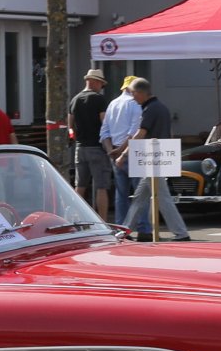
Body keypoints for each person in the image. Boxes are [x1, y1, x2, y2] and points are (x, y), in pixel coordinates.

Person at [123, 77, 191, 242]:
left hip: (153, 161)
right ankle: (125, 230)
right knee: (140, 197)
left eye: (133, 93)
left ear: (141, 93)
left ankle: (181, 233)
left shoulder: (150, 109)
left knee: (162, 198)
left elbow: (141, 133)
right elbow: (170, 133)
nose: (133, 97)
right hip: (158, 159)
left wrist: (123, 155)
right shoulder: (162, 107)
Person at [100, 74, 144, 229]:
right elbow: (134, 133)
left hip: (114, 151)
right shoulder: (135, 104)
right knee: (140, 193)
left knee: (121, 194)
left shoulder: (112, 104)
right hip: (133, 151)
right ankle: (143, 227)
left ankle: (121, 227)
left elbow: (104, 132)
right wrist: (121, 150)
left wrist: (111, 150)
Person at [67, 68, 111, 219]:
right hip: (97, 148)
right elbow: (105, 124)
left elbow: (70, 127)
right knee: (101, 187)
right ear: (95, 82)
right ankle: (103, 221)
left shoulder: (74, 100)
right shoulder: (99, 99)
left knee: (80, 186)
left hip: (80, 148)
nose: (101, 87)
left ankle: (76, 220)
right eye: (101, 84)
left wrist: (76, 138)